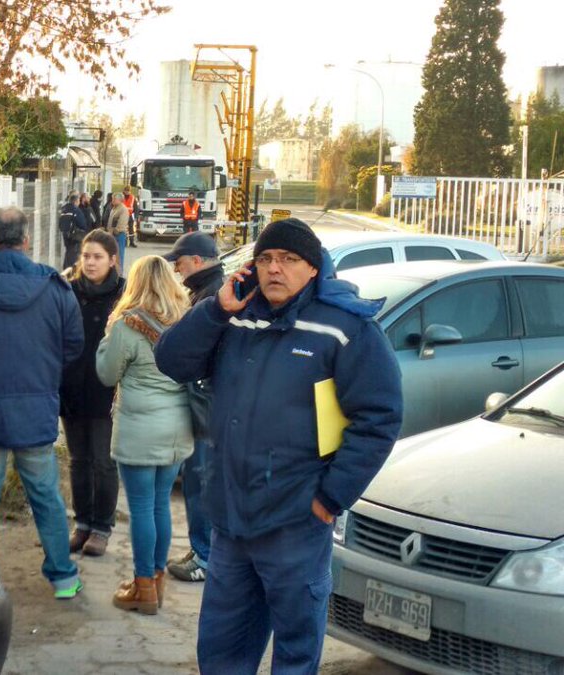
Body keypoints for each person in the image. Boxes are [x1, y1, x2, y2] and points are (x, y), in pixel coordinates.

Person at [155, 218, 403, 673]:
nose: (275, 269)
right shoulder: (234, 315)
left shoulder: (344, 328)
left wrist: (331, 498)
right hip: (230, 522)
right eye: (266, 259)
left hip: (296, 522)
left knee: (294, 653)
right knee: (221, 649)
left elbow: (379, 418)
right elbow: (171, 361)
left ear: (313, 269)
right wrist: (214, 309)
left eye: (289, 260)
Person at [0, 206, 84, 600]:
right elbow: (72, 345)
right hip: (35, 410)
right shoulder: (56, 288)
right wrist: (44, 376)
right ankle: (63, 577)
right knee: (46, 497)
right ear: (26, 241)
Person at [96, 255, 193, 615]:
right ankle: (156, 581)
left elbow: (107, 374)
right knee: (160, 505)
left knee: (140, 509)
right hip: (177, 429)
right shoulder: (186, 323)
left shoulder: (127, 325)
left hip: (139, 430)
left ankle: (142, 589)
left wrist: (106, 340)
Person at [161, 232, 223, 582]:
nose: (178, 270)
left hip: (206, 410)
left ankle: (205, 556)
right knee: (198, 481)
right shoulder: (208, 289)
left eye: (180, 263)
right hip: (205, 406)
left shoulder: (213, 295)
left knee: (200, 480)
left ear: (197, 261)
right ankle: (201, 547)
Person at [59, 230, 124, 558]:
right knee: (78, 461)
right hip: (72, 390)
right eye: (86, 256)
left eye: (97, 256)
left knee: (103, 462)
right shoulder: (68, 293)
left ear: (113, 259)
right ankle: (81, 523)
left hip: (108, 394)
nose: (90, 262)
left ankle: (101, 527)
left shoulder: (124, 294)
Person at [58, 192, 89, 270]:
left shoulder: (64, 209)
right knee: (74, 255)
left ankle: (66, 269)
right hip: (75, 236)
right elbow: (82, 224)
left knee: (68, 252)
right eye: (78, 201)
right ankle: (71, 273)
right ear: (75, 201)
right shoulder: (76, 210)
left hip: (66, 235)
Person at [105, 192, 130, 269]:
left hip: (119, 236)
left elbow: (121, 224)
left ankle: (119, 274)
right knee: (112, 255)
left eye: (114, 199)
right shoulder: (114, 208)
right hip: (112, 235)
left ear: (120, 200)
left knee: (119, 256)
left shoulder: (123, 209)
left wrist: (114, 231)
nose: (112, 200)